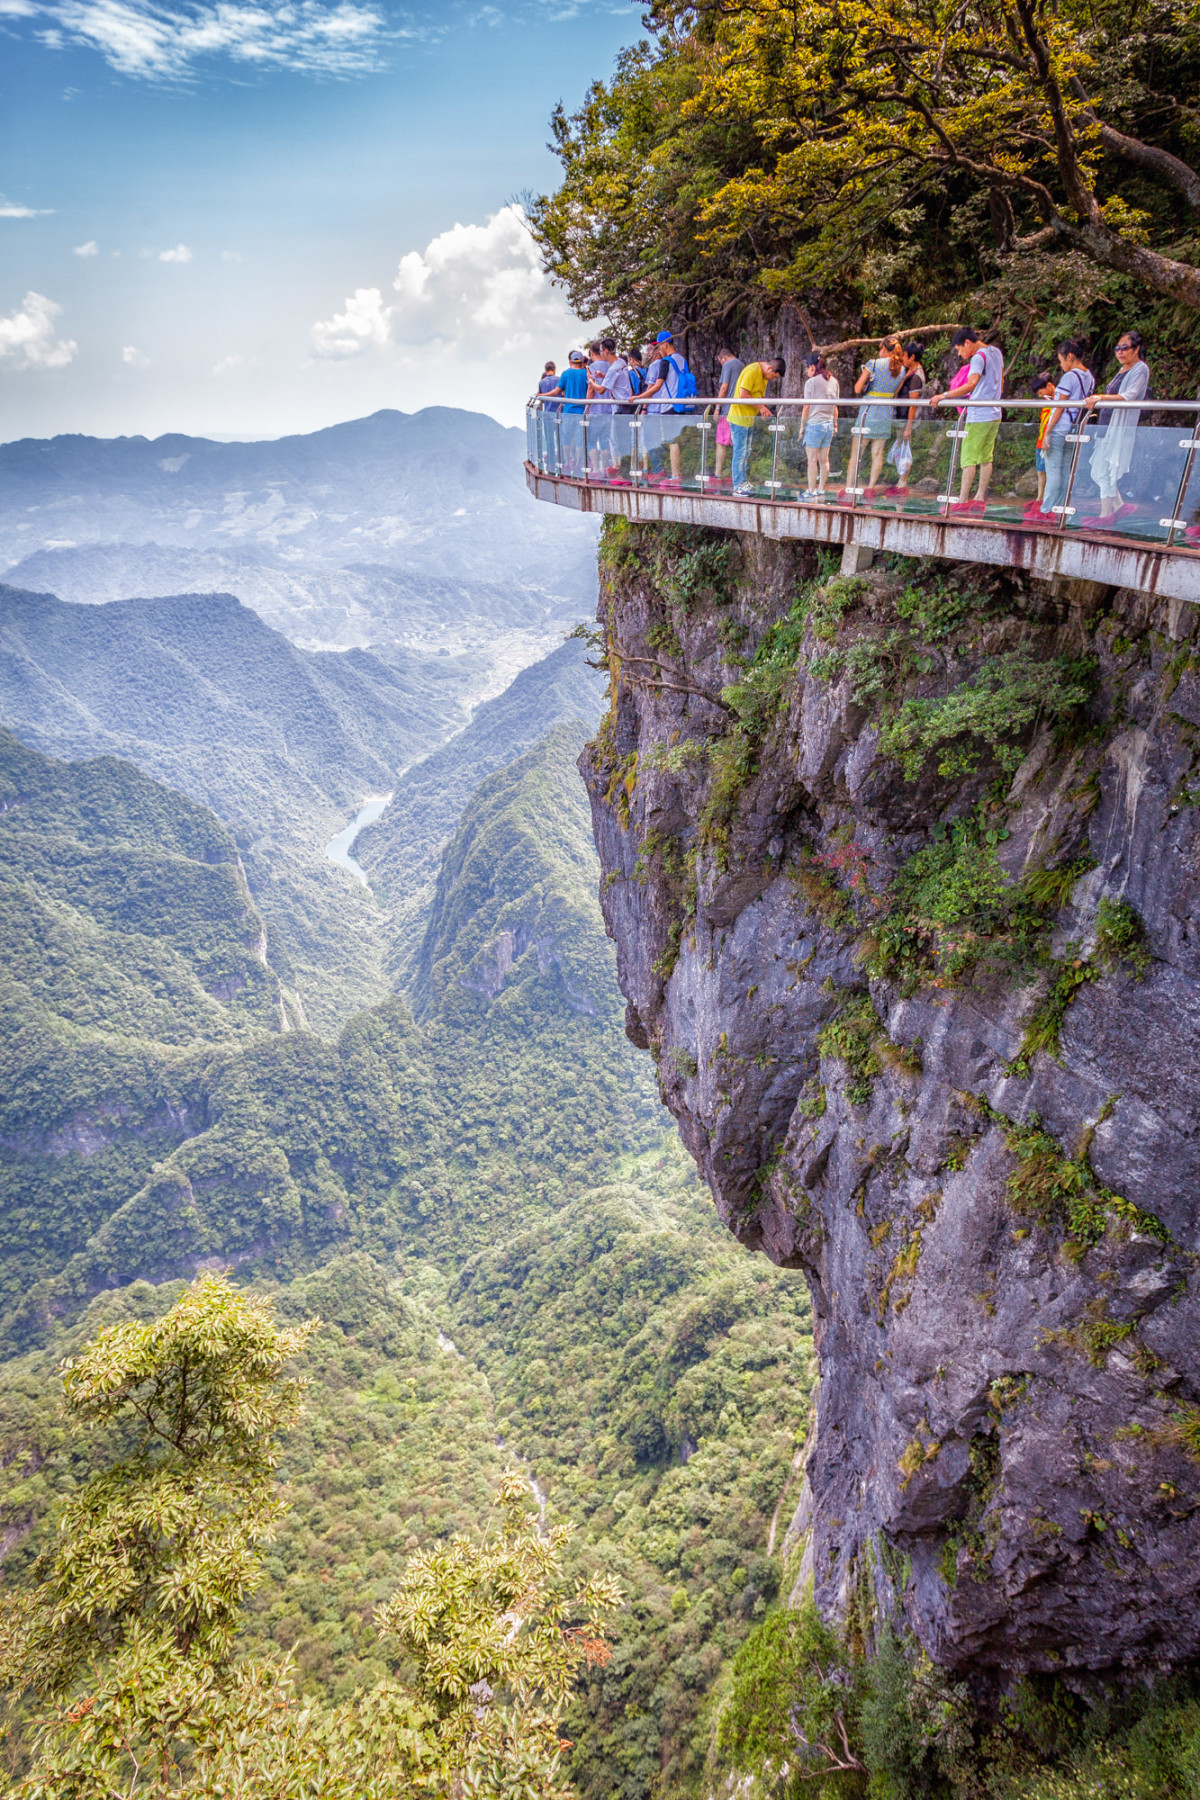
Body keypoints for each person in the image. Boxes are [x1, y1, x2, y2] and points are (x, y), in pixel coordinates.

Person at [1082, 329, 1150, 523]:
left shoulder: (1140, 369)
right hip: (1106, 426)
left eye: (1125, 348)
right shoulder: (1123, 369)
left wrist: (1100, 397)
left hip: (1118, 428)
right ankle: (1119, 506)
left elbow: (1129, 395)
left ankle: (1105, 515)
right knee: (1099, 469)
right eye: (1117, 348)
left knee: (1103, 471)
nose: (1120, 352)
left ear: (1136, 349)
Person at [948, 327, 1005, 511]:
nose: (959, 353)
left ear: (967, 343)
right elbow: (1001, 382)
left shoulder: (978, 357)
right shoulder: (995, 352)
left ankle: (962, 501)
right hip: (994, 412)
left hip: (979, 414)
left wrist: (945, 395)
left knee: (969, 458)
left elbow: (971, 383)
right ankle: (979, 498)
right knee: (986, 457)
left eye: (959, 349)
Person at [842, 335, 905, 500]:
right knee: (878, 454)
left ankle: (850, 488)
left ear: (884, 348)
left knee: (857, 453)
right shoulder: (901, 369)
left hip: (868, 412)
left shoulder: (874, 364)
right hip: (885, 413)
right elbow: (895, 392)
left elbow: (857, 388)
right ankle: (870, 488)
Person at [1039, 340, 1095, 522]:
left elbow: (1059, 407)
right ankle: (1060, 510)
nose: (1061, 365)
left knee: (1054, 471)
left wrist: (1047, 432)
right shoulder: (1090, 377)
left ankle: (1047, 510)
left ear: (1070, 357)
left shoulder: (1070, 377)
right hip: (1074, 429)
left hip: (1059, 429)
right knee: (1066, 471)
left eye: (1061, 360)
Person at [729, 355, 786, 494]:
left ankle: (743, 482)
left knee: (746, 452)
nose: (773, 379)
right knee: (740, 453)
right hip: (739, 418)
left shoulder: (763, 376)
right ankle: (738, 485)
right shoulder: (753, 371)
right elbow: (743, 395)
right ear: (770, 368)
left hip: (748, 419)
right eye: (774, 376)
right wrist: (761, 407)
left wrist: (762, 408)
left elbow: (757, 396)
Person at [641, 330, 691, 484]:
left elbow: (657, 386)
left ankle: (675, 476)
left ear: (665, 344)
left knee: (672, 442)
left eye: (660, 346)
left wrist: (638, 398)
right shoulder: (682, 359)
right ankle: (676, 474)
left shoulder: (666, 362)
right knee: (676, 441)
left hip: (669, 406)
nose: (659, 350)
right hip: (682, 405)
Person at [884, 342, 926, 497]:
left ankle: (903, 484)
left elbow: (912, 405)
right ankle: (900, 482)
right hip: (901, 419)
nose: (902, 358)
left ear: (912, 356)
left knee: (905, 450)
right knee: (900, 449)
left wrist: (909, 426)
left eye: (905, 355)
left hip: (907, 420)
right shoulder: (910, 372)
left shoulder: (916, 376)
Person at [799, 353, 840, 497]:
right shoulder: (834, 381)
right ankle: (821, 489)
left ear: (812, 367)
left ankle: (811, 490)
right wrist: (835, 425)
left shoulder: (811, 383)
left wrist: (802, 427)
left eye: (807, 368)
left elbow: (806, 407)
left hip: (814, 425)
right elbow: (836, 406)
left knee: (812, 460)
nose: (806, 371)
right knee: (824, 460)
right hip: (828, 424)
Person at [545, 350, 589, 476]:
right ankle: (578, 464)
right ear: (581, 362)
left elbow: (556, 391)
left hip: (568, 411)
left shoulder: (565, 374)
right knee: (580, 440)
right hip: (581, 411)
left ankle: (567, 462)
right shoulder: (585, 374)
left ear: (571, 361)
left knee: (566, 439)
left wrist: (542, 395)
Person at [1025, 372, 1058, 516]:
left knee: (1050, 471)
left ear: (1049, 385)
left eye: (1041, 391)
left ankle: (1049, 501)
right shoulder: (1047, 400)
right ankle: (1039, 498)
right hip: (1041, 440)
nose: (1040, 395)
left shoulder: (1059, 400)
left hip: (1050, 440)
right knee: (1040, 471)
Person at [713, 344, 745, 483]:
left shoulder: (728, 365)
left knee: (721, 443)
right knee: (737, 445)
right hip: (741, 411)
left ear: (723, 358)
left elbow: (724, 387)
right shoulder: (742, 365)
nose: (721, 364)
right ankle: (736, 475)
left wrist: (717, 407)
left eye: (720, 361)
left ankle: (718, 475)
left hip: (728, 411)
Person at [536, 361, 559, 470]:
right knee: (560, 439)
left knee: (549, 440)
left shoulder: (541, 383)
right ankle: (561, 461)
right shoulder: (559, 380)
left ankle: (550, 463)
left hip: (547, 414)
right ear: (554, 369)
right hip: (559, 414)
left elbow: (540, 397)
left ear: (545, 370)